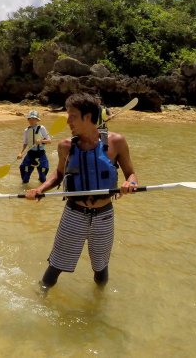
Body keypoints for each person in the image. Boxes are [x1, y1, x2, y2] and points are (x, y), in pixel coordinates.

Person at [25, 93, 138, 291]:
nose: (67, 121)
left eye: (72, 116)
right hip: (74, 214)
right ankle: (40, 296)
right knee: (55, 266)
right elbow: (58, 175)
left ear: (88, 117)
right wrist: (40, 189)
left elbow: (131, 174)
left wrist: (130, 184)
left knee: (101, 268)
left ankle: (99, 302)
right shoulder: (66, 146)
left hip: (104, 215)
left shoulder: (117, 142)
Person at [17, 110, 52, 184]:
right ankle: (25, 190)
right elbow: (25, 143)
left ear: (37, 120)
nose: (31, 120)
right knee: (25, 175)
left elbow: (49, 141)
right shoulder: (26, 130)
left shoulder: (42, 128)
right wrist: (21, 153)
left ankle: (41, 189)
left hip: (41, 153)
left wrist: (42, 141)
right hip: (30, 154)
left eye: (33, 119)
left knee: (43, 177)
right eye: (30, 118)